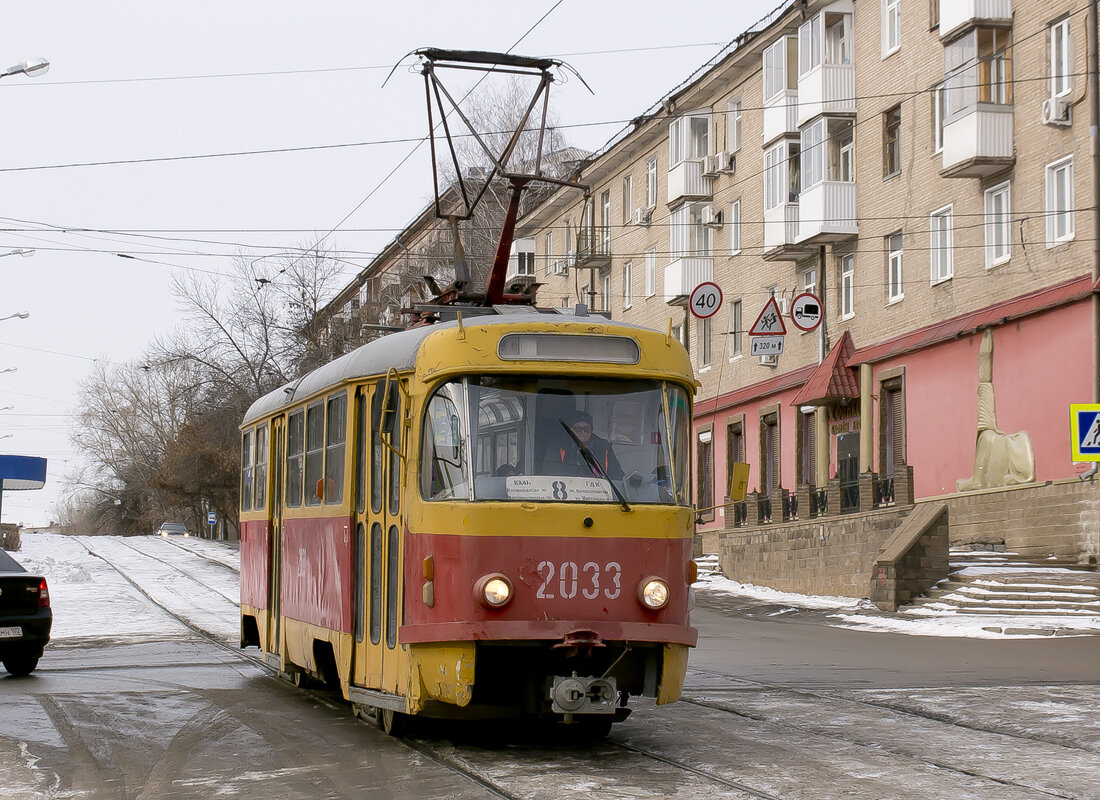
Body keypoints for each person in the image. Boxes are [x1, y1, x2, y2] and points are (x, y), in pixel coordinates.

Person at [556, 410, 624, 481]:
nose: (583, 432)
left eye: (586, 429)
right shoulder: (558, 447)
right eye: (578, 429)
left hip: (599, 489)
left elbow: (617, 476)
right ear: (570, 430)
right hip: (569, 488)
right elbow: (551, 473)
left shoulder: (604, 447)